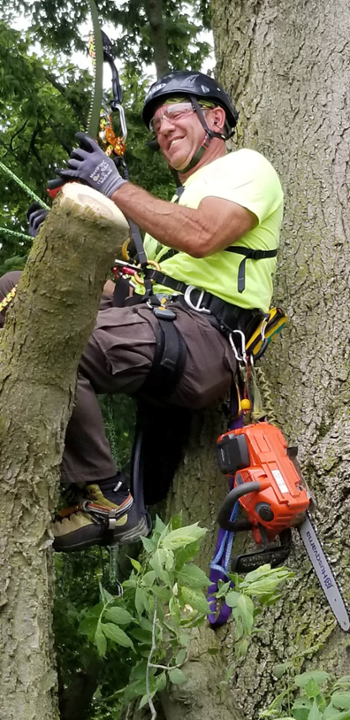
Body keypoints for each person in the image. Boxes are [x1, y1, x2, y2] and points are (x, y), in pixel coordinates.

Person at [0, 71, 283, 552]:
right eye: (155, 123)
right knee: (12, 290)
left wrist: (111, 184)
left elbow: (202, 235)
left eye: (175, 113)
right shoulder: (173, 205)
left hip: (205, 337)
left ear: (214, 118)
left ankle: (106, 495)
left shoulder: (247, 168)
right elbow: (133, 283)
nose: (163, 127)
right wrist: (62, 240)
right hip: (162, 319)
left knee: (61, 338)